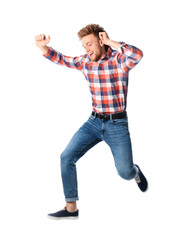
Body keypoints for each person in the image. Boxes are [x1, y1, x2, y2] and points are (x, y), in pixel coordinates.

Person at [35, 24, 148, 220]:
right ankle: (71, 207)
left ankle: (135, 171)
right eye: (83, 46)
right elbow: (63, 59)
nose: (86, 49)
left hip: (117, 125)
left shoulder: (119, 60)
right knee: (66, 157)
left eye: (89, 44)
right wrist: (43, 48)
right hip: (93, 122)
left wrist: (112, 43)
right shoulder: (86, 61)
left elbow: (137, 55)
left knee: (124, 172)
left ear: (102, 41)